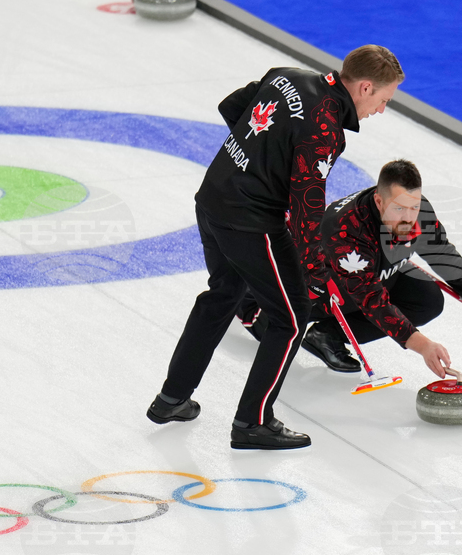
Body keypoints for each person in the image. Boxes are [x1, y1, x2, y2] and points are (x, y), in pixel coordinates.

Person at [146, 45, 405, 449]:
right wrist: (316, 270)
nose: (381, 110)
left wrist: (255, 162)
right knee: (291, 318)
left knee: (223, 295)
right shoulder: (325, 128)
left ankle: (171, 399)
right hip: (250, 221)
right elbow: (306, 205)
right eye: (384, 100)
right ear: (366, 87)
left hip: (214, 198)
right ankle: (253, 422)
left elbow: (232, 106)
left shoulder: (287, 75)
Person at [301, 159, 462, 377]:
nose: (409, 218)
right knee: (284, 319)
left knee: (427, 300)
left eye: (414, 207)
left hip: (374, 274)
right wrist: (423, 345)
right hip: (316, 294)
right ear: (379, 201)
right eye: (399, 208)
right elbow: (372, 300)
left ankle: (327, 334)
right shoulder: (347, 230)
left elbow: (440, 251)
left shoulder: (417, 211)